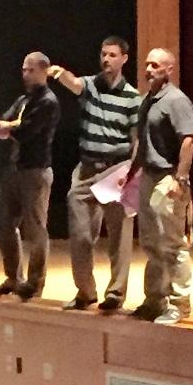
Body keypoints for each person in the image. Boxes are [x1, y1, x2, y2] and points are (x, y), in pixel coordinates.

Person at [48, 36, 141, 311]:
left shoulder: (132, 98)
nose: (106, 59)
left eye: (112, 55)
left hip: (115, 170)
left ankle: (115, 294)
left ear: (124, 58)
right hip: (87, 168)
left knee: (118, 235)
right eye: (103, 54)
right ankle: (85, 292)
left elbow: (137, 141)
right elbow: (74, 84)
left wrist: (131, 173)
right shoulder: (91, 85)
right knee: (79, 234)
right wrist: (61, 73)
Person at [123, 48, 193, 324]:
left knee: (173, 244)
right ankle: (155, 299)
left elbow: (188, 140)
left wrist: (181, 179)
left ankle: (180, 303)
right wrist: (132, 172)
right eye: (146, 64)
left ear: (169, 70)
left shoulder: (176, 101)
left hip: (168, 178)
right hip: (149, 176)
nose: (149, 69)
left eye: (155, 65)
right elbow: (143, 141)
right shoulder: (148, 100)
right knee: (152, 243)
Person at [0, 52, 60, 300]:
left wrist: (8, 128)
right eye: (23, 69)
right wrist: (6, 126)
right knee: (4, 224)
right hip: (15, 169)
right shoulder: (23, 99)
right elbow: (4, 121)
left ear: (43, 71)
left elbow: (27, 130)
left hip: (36, 171)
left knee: (35, 228)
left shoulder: (48, 101)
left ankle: (35, 282)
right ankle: (12, 277)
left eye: (30, 70)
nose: (25, 74)